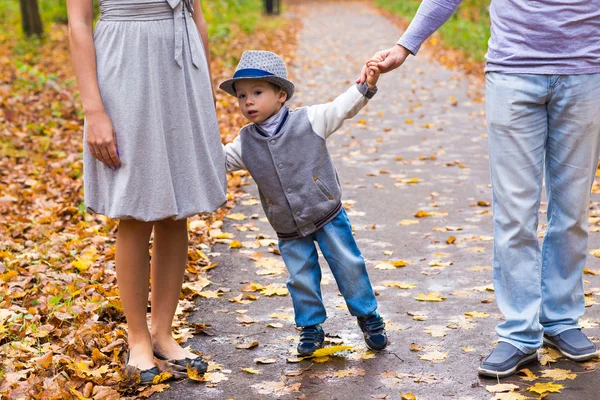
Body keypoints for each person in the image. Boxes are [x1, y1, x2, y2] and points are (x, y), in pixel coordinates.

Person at [359, 0, 600, 378]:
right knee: (514, 211)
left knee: (572, 209)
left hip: (587, 72)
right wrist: (405, 45)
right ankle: (520, 332)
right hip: (512, 73)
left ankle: (561, 320)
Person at [67, 0, 227, 383]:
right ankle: (138, 339)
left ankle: (163, 333)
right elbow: (77, 24)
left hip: (181, 71)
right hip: (126, 67)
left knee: (177, 208)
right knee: (136, 209)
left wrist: (203, 95)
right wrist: (94, 111)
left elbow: (195, 13)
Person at [221, 50, 388, 355]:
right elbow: (216, 162)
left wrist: (366, 86)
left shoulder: (309, 120)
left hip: (326, 213)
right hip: (287, 225)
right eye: (242, 95)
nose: (248, 101)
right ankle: (311, 328)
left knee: (349, 266)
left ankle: (369, 316)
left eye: (257, 93)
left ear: (281, 95)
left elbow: (341, 108)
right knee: (300, 278)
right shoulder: (245, 143)